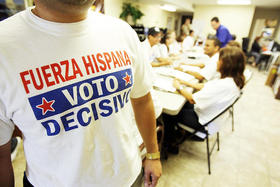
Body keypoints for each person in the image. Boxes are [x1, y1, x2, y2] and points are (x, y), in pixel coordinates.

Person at [0, 1, 162, 187]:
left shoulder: (121, 32)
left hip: (127, 177)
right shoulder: (4, 45)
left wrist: (153, 154)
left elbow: (142, 100)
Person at [166, 46, 245, 145]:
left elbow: (192, 99)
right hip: (209, 117)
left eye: (219, 60)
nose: (217, 62)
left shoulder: (224, 85)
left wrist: (179, 87)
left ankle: (170, 143)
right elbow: (205, 86)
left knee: (169, 113)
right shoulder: (233, 80)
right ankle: (178, 133)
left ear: (227, 64)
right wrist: (186, 82)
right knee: (181, 104)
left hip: (203, 124)